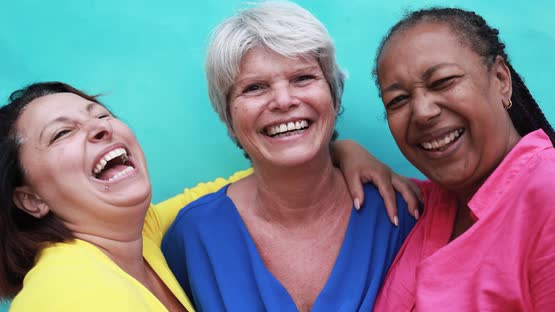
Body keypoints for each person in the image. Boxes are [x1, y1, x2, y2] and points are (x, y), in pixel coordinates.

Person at [0, 82, 417, 311]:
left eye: (101, 115)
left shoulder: (136, 234)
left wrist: (338, 150)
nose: (100, 128)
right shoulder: (61, 295)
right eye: (61, 133)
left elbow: (252, 180)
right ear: (30, 199)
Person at [162, 2, 416, 311]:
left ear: (334, 96)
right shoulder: (193, 236)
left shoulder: (405, 212)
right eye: (255, 87)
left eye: (302, 78)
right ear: (228, 118)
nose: (283, 101)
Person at [371, 8, 555, 311]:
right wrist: (343, 152)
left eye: (443, 81)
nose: (422, 112)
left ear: (501, 78)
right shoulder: (420, 207)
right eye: (398, 100)